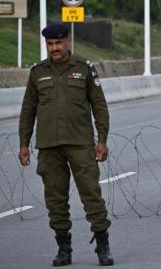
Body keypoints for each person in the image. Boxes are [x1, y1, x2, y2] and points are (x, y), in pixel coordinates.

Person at [18, 23, 114, 266]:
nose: (54, 48)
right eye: (50, 44)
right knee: (55, 200)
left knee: (92, 195)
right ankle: (64, 248)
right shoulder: (38, 72)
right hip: (49, 147)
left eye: (58, 43)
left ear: (67, 41)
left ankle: (103, 245)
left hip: (80, 144)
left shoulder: (84, 69)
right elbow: (28, 110)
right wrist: (23, 143)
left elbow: (99, 106)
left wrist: (101, 139)